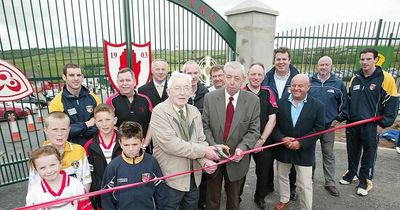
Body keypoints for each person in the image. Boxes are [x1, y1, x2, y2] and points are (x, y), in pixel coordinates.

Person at [150, 72, 221, 210]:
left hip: (194, 179)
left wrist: (204, 161)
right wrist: (205, 151)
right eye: (177, 88)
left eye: (186, 88)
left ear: (191, 91)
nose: (182, 92)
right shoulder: (159, 112)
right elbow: (172, 145)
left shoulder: (194, 111)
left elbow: (201, 139)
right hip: (171, 179)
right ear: (168, 91)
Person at [340, 48, 398, 196]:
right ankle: (352, 174)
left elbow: (392, 104)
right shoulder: (355, 78)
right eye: (362, 59)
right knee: (352, 151)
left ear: (376, 60)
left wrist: (383, 125)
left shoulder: (386, 78)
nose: (364, 62)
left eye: (368, 59)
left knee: (369, 154)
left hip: (372, 126)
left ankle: (364, 182)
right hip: (353, 124)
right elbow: (350, 100)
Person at [202, 61, 260, 210]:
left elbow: (254, 131)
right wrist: (213, 146)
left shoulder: (253, 101)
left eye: (237, 78)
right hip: (214, 156)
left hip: (237, 159)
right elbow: (205, 126)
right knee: (212, 198)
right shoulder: (210, 98)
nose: (232, 82)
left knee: (234, 200)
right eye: (228, 77)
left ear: (243, 79)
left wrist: (243, 148)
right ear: (223, 78)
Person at [273, 74, 325, 210]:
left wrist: (301, 143)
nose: (296, 88)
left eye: (300, 86)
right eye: (294, 85)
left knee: (305, 184)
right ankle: (284, 199)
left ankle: (306, 207)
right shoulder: (280, 103)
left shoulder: (318, 106)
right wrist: (282, 138)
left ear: (308, 87)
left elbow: (319, 129)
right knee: (282, 176)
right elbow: (274, 126)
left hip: (304, 151)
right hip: (283, 148)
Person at [101, 121, 168, 210]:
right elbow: (106, 196)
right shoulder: (113, 166)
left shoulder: (151, 162)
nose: (131, 149)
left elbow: (161, 192)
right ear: (120, 143)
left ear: (142, 142)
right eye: (126, 145)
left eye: (135, 144)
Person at [261, 47, 300, 200]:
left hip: (291, 125)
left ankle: (292, 188)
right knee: (268, 158)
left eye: (284, 59)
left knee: (292, 159)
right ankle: (268, 186)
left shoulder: (298, 78)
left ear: (289, 60)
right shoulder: (267, 78)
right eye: (278, 59)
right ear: (274, 61)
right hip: (270, 123)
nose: (281, 62)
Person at [309, 56, 348, 197]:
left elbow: (344, 106)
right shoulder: (309, 82)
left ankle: (330, 183)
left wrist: (337, 120)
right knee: (309, 153)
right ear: (317, 66)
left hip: (328, 127)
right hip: (311, 126)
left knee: (328, 154)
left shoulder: (338, 83)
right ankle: (308, 179)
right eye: (321, 65)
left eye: (326, 65)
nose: (323, 67)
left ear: (331, 66)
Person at [28, 111, 92, 193]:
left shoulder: (79, 150)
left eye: (64, 129)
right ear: (46, 130)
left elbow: (86, 179)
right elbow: (33, 186)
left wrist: (82, 199)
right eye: (55, 129)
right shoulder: (38, 156)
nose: (60, 134)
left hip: (77, 200)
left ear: (69, 129)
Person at [243, 63, 278, 209]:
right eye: (253, 74)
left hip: (264, 140)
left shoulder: (268, 92)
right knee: (240, 171)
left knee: (264, 171)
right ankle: (235, 195)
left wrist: (262, 139)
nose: (256, 77)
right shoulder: (241, 92)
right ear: (248, 75)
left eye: (259, 75)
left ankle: (260, 197)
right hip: (243, 141)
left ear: (264, 77)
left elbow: (272, 118)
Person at [49, 63, 101, 146]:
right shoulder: (56, 102)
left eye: (78, 75)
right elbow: (60, 131)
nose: (76, 78)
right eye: (72, 75)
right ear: (64, 77)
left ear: (82, 77)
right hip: (71, 148)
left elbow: (101, 124)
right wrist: (87, 124)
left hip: (94, 145)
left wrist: (77, 130)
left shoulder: (94, 98)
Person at [84, 104, 122, 209]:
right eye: (100, 121)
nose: (104, 124)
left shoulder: (125, 142)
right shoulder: (89, 146)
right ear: (95, 122)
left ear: (114, 120)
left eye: (108, 119)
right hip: (102, 196)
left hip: (124, 192)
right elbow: (90, 173)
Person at [106, 68, 153, 153]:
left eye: (128, 80)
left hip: (144, 148)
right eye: (121, 81)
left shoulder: (145, 99)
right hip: (122, 150)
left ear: (134, 82)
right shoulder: (111, 101)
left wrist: (145, 144)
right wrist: (125, 145)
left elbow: (152, 124)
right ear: (117, 82)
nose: (124, 84)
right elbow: (108, 125)